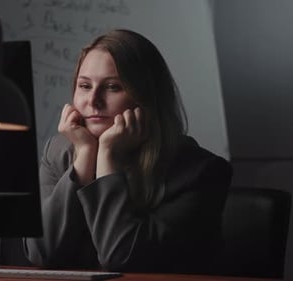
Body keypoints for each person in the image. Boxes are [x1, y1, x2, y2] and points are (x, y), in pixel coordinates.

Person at [23, 29, 232, 273]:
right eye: (84, 86)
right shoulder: (58, 152)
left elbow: (123, 260)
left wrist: (107, 157)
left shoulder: (200, 172)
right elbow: (40, 254)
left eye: (112, 87)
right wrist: (85, 158)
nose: (93, 101)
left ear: (146, 96)